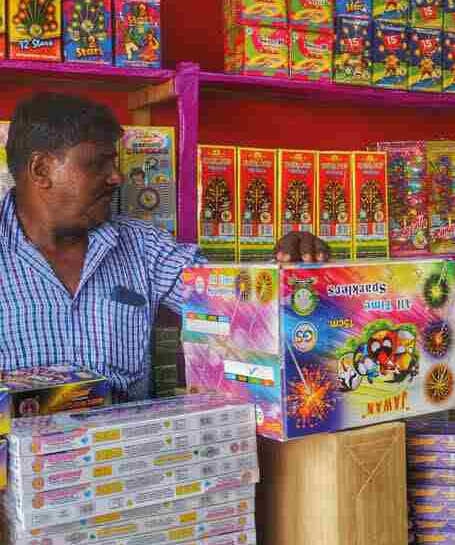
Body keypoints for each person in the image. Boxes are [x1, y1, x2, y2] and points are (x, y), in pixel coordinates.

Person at [0, 93, 329, 403]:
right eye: (97, 163)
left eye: (114, 163)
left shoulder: (144, 247)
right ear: (41, 169)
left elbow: (231, 300)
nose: (116, 177)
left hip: (129, 456)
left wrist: (288, 267)